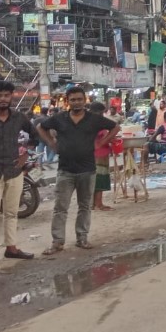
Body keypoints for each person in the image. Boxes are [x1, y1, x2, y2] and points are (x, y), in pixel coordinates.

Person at [39, 86, 120, 254]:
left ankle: (82, 238)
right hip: (65, 170)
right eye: (73, 100)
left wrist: (101, 142)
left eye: (79, 99)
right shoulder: (59, 118)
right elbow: (40, 127)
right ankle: (57, 241)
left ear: (84, 101)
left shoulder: (94, 119)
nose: (76, 102)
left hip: (87, 169)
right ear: (68, 101)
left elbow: (115, 127)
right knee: (60, 207)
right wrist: (51, 143)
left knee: (84, 206)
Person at [0, 80, 37, 270]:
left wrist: (25, 154)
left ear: (11, 96)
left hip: (14, 171)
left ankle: (11, 248)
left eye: (6, 95)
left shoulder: (19, 117)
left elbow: (35, 135)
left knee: (11, 212)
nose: (3, 99)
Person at [90, 101, 117, 212]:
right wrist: (111, 139)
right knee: (100, 180)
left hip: (92, 154)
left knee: (93, 180)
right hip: (100, 154)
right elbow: (107, 136)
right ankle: (99, 204)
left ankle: (93, 204)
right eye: (102, 112)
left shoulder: (87, 122)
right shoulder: (99, 123)